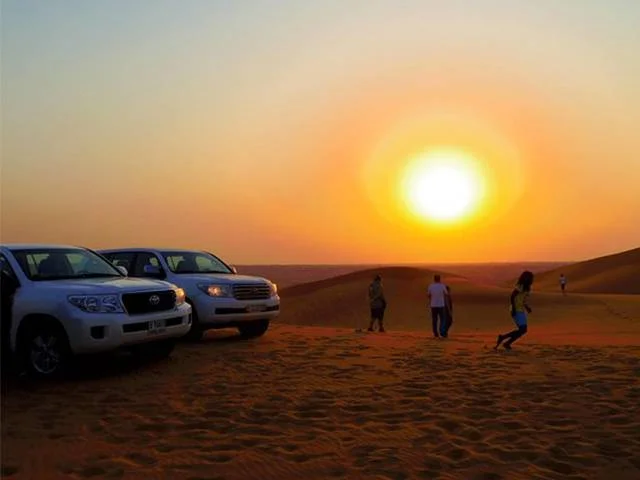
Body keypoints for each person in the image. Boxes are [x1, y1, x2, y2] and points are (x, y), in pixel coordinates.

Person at [495, 270, 534, 350]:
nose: (531, 279)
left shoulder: (527, 288)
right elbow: (512, 296)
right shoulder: (520, 286)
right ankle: (505, 340)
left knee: (522, 330)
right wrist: (513, 308)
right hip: (516, 309)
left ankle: (504, 340)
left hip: (521, 310)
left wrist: (527, 307)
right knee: (523, 329)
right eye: (529, 277)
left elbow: (523, 299)